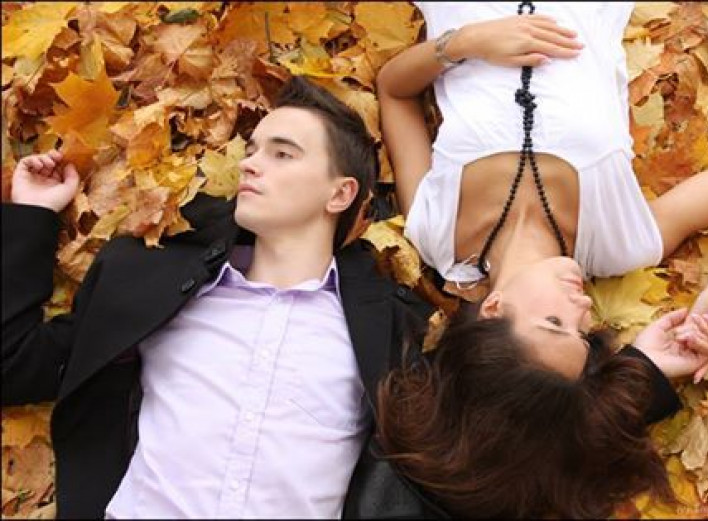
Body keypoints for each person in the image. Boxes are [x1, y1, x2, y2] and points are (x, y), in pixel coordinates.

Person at [374, 1, 708, 518]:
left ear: (493, 310)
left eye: (554, 323)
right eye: (584, 335)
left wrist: (465, 43)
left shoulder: (436, 232)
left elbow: (394, 89)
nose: (583, 309)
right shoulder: (618, 242)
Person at [2, 76, 446, 519]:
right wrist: (33, 215)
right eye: (252, 150)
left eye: (282, 154)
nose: (250, 164)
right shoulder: (160, 290)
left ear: (340, 193)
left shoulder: (389, 332)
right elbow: (13, 365)